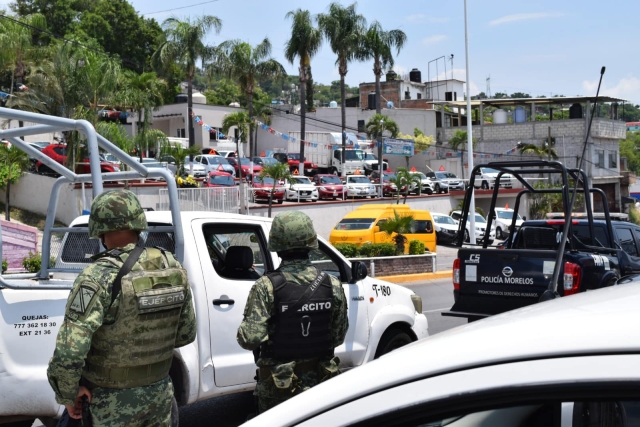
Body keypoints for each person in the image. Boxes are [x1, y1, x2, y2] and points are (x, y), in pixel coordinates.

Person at [47, 189, 196, 426]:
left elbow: (69, 350)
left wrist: (67, 393)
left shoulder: (98, 276)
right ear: (138, 223)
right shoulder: (172, 266)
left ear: (99, 229)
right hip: (160, 396)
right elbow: (186, 334)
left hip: (110, 402)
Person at [237, 211, 349, 413]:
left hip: (279, 391)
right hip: (322, 384)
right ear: (311, 244)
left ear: (277, 246)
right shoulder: (332, 284)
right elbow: (338, 336)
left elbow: (249, 339)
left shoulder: (266, 286)